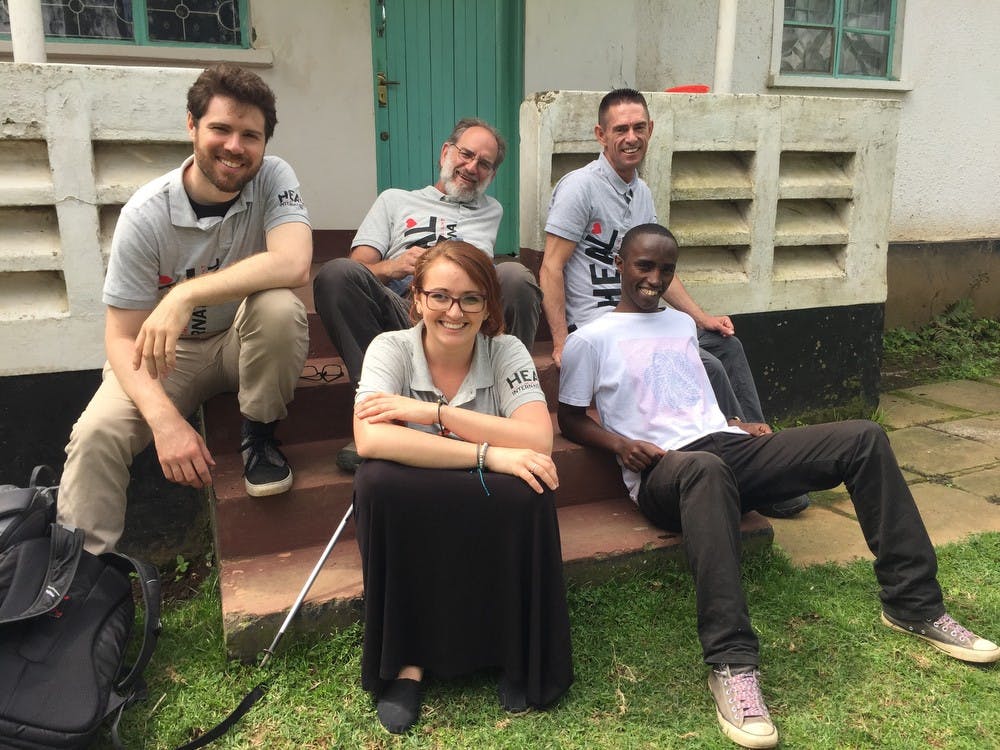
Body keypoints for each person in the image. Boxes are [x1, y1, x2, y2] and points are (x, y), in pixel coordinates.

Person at [557, 223, 999, 749]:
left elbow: (685, 395)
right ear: (620, 265)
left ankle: (914, 604)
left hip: (725, 447)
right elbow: (570, 419)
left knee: (863, 438)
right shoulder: (591, 339)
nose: (654, 278)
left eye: (666, 269)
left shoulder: (679, 324)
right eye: (644, 266)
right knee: (704, 468)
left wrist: (733, 423)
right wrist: (620, 444)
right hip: (663, 470)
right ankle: (733, 664)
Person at [57, 64, 311, 554]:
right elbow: (120, 337)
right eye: (221, 128)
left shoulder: (273, 177)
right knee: (95, 434)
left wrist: (184, 294)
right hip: (169, 357)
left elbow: (295, 262)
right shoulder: (145, 215)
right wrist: (165, 421)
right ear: (192, 125)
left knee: (280, 307)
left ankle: (259, 437)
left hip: (243, 341)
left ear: (264, 142)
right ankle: (79, 574)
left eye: (250, 135)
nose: (235, 146)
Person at [540, 88, 807, 518]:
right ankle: (747, 471)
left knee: (726, 345)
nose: (631, 137)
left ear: (650, 130)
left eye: (638, 127)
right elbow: (551, 267)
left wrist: (702, 318)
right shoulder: (580, 188)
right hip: (603, 321)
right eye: (620, 129)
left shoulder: (641, 192)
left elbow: (659, 272)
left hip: (647, 315)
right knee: (709, 364)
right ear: (601, 135)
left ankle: (762, 460)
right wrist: (560, 340)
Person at [352, 241, 573, 734]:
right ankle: (406, 662)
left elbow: (538, 438)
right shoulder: (390, 348)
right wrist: (488, 455)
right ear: (417, 298)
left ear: (489, 306)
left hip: (480, 493)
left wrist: (431, 413)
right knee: (377, 483)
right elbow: (370, 439)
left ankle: (512, 651)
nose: (454, 312)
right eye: (440, 296)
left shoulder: (507, 350)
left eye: (471, 298)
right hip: (426, 486)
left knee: (531, 484)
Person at [314, 117, 541, 471]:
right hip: (401, 306)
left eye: (484, 163)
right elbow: (358, 266)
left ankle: (508, 407)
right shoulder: (394, 201)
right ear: (445, 152)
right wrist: (395, 266)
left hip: (461, 312)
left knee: (516, 277)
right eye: (466, 154)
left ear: (492, 174)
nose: (472, 167)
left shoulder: (491, 210)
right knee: (336, 275)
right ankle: (377, 412)